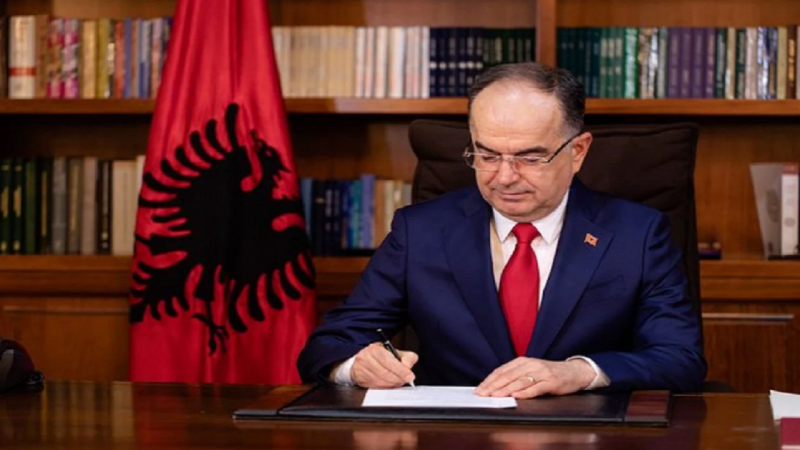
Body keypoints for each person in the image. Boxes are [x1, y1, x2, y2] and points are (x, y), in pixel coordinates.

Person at [297, 62, 706, 399]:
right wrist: (355, 365)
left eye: (530, 157)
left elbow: (680, 358)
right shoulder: (420, 232)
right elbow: (328, 345)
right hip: (455, 436)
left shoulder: (638, 234)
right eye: (487, 155)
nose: (505, 177)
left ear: (578, 151)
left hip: (583, 434)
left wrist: (579, 372)